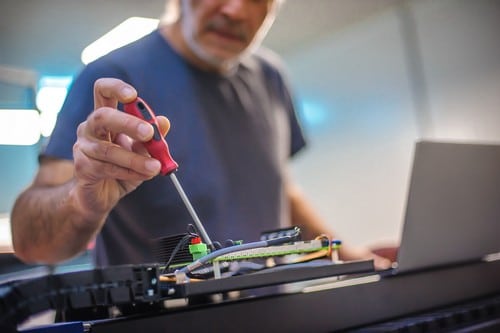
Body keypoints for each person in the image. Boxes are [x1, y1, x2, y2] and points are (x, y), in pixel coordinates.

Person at [11, 0, 394, 269]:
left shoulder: (271, 76)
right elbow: (31, 242)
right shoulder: (112, 79)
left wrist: (349, 256)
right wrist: (82, 200)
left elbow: (280, 192)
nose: (235, 9)